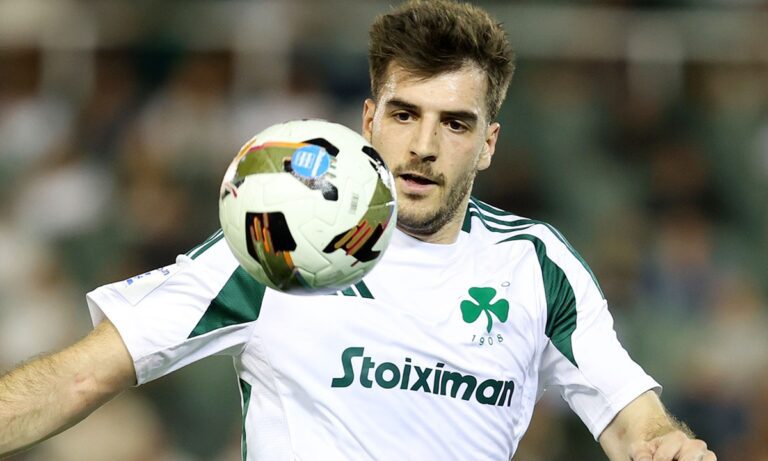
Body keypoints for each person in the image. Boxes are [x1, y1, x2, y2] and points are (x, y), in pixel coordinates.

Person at [0, 1, 716, 460]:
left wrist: (666, 444)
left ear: (488, 144)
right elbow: (84, 374)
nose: (424, 146)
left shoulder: (535, 263)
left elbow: (633, 421)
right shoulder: (277, 240)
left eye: (455, 123)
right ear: (369, 120)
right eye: (405, 115)